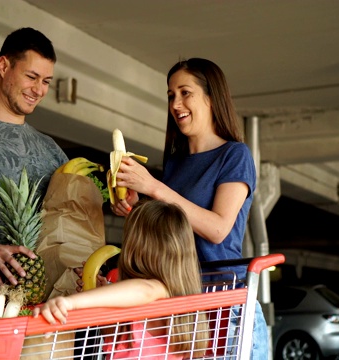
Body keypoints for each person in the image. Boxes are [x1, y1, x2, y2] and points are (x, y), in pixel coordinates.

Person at [109, 58, 268, 359]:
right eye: (171, 95)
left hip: (225, 302)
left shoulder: (234, 155)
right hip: (182, 302)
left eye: (185, 92)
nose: (176, 103)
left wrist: (154, 187)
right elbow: (170, 229)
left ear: (211, 97)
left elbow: (218, 229)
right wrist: (135, 206)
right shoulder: (175, 163)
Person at [0, 27, 68, 310]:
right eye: (31, 77)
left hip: (41, 306)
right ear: (3, 66)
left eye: (46, 81)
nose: (39, 90)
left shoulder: (52, 152)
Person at [34, 199, 209, 359]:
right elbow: (119, 339)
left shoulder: (158, 290)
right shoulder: (178, 310)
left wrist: (70, 303)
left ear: (137, 247)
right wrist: (100, 295)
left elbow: (145, 289)